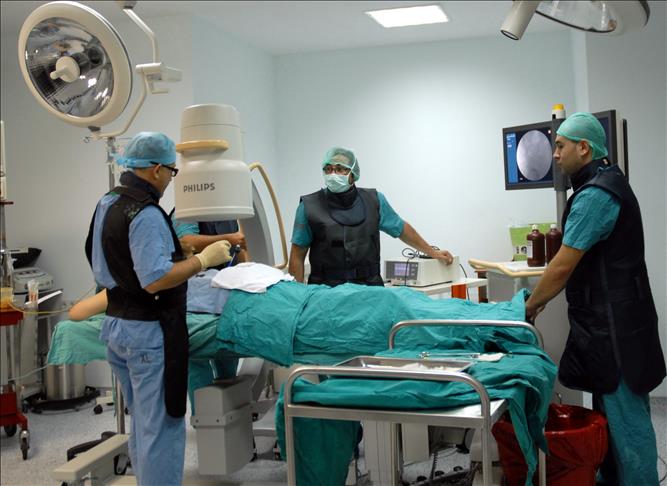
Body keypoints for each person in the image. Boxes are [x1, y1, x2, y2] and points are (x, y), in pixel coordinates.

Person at [524, 113, 665, 485]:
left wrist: (528, 307)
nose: (555, 154)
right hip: (615, 325)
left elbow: (561, 267)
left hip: (616, 332)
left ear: (584, 148)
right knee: (610, 419)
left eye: (560, 146)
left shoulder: (596, 196)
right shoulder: (608, 183)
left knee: (627, 425)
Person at [85, 131, 233, 486]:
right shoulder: (147, 213)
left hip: (118, 327)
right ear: (155, 169)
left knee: (143, 423)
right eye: (171, 171)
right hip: (149, 335)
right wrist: (201, 260)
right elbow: (155, 280)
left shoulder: (108, 201)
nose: (170, 179)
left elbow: (104, 253)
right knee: (162, 429)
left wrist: (175, 252)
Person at [289, 147, 453, 286]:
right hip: (326, 292)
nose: (333, 174)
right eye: (328, 169)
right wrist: (296, 298)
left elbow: (401, 229)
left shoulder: (374, 201)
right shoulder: (309, 206)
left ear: (353, 173)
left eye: (340, 169)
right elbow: (297, 255)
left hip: (369, 290)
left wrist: (433, 253)